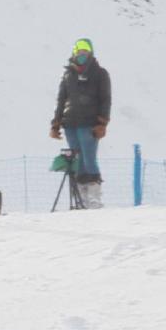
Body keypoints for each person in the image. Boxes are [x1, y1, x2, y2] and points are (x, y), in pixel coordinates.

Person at [49, 38, 111, 209]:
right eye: (79, 51)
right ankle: (81, 197)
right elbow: (61, 100)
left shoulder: (100, 73)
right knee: (77, 160)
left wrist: (102, 122)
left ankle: (94, 198)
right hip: (70, 124)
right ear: (74, 52)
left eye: (86, 51)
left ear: (91, 53)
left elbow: (106, 99)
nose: (82, 54)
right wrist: (56, 124)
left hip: (90, 123)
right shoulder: (68, 75)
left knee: (89, 158)